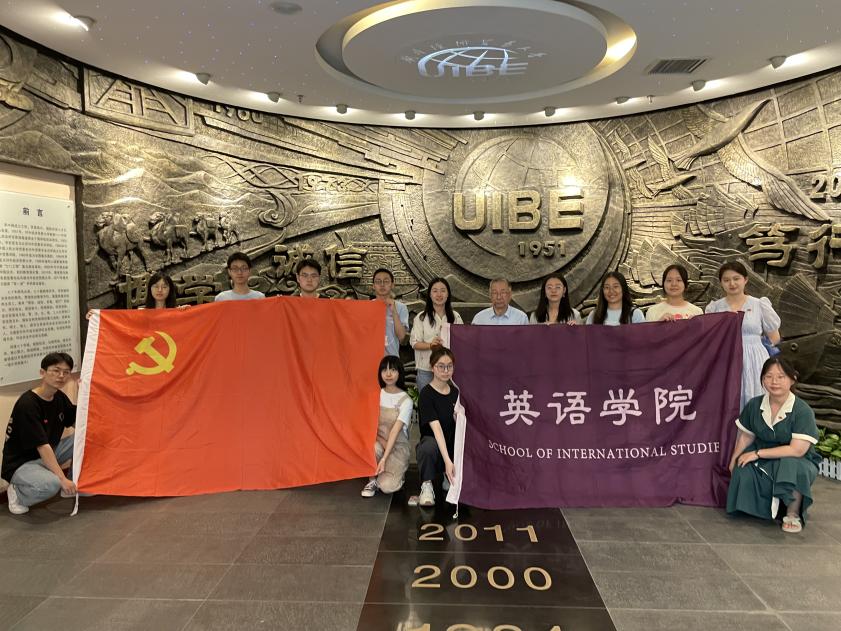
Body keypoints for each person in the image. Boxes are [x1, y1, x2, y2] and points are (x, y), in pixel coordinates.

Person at [727, 357, 821, 533]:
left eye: (780, 376)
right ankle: (763, 509)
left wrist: (757, 454)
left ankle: (792, 513)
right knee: (742, 467)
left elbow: (796, 450)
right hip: (763, 452)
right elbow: (746, 436)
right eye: (768, 376)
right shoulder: (754, 404)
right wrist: (734, 459)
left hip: (796, 458)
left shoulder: (802, 410)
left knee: (791, 466)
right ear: (762, 379)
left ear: (792, 379)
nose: (774, 382)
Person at [2, 353, 77, 514]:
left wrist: (84, 392)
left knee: (82, 439)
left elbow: (78, 423)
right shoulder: (28, 403)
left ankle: (71, 484)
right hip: (22, 462)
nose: (61, 376)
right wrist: (61, 479)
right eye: (56, 370)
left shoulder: (58, 397)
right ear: (42, 372)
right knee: (52, 484)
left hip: (48, 453)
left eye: (66, 372)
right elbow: (42, 446)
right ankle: (18, 493)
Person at [705, 261, 781, 408]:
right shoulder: (715, 308)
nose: (732, 283)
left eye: (736, 278)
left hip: (755, 359)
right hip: (725, 360)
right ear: (721, 283)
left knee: (755, 399)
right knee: (728, 401)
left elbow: (774, 337)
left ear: (745, 279)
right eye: (726, 280)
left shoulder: (759, 304)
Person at [360, 356, 413, 498]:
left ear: (399, 372)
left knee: (387, 487)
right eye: (384, 370)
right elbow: (368, 425)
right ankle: (372, 479)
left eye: (393, 370)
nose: (388, 374)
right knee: (373, 448)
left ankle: (395, 474)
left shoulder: (406, 400)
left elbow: (395, 431)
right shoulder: (375, 395)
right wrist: (380, 444)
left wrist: (384, 458)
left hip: (397, 447)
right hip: (378, 442)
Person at [415, 347, 459, 507]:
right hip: (434, 446)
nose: (446, 371)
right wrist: (447, 460)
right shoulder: (426, 394)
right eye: (441, 366)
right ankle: (427, 485)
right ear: (432, 367)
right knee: (428, 447)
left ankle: (450, 477)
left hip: (451, 445)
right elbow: (437, 429)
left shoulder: (455, 393)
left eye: (449, 366)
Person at [411, 278, 463, 394]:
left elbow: (462, 342)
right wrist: (430, 345)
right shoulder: (421, 317)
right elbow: (414, 343)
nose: (439, 294)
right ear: (430, 294)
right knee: (427, 402)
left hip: (449, 370)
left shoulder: (455, 317)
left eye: (443, 290)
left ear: (448, 294)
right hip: (426, 370)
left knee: (449, 403)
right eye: (435, 291)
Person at [86, 272, 188, 319]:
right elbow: (119, 322)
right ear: (150, 289)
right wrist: (97, 316)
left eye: (164, 287)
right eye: (156, 286)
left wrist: (187, 313)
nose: (160, 290)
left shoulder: (177, 313)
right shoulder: (140, 314)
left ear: (170, 290)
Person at [372, 268, 409, 357]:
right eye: (378, 281)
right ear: (373, 286)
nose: (382, 285)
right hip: (370, 358)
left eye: (386, 281)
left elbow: (402, 337)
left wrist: (394, 310)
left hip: (392, 358)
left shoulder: (401, 307)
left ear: (392, 285)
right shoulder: (367, 307)